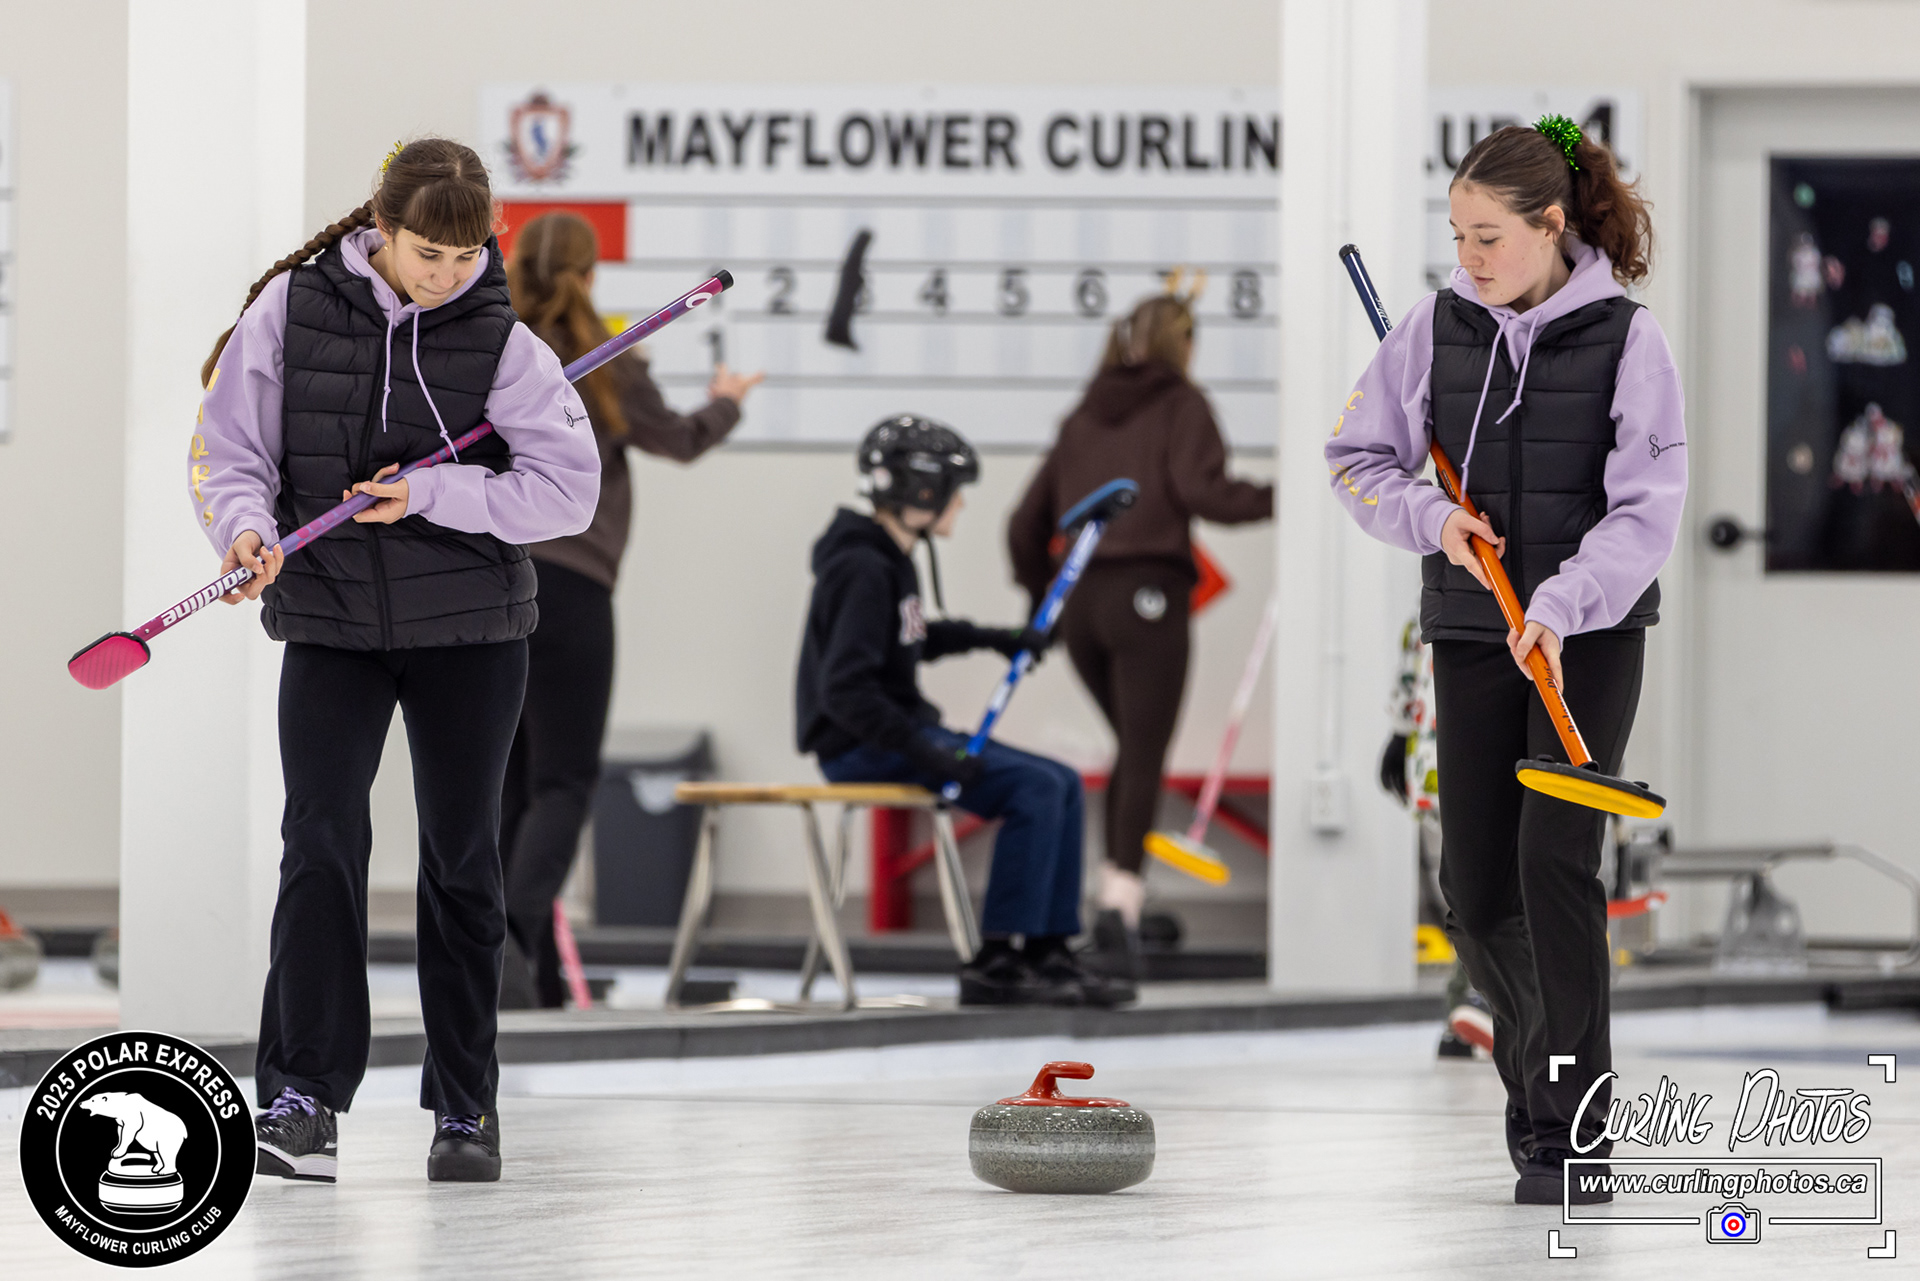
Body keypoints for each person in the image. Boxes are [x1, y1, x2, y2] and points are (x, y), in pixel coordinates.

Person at [192, 139, 601, 1184]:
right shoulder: (290, 309)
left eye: (467, 257)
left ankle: (466, 1107)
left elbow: (568, 493)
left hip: (471, 631)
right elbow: (232, 449)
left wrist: (434, 492)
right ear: (382, 228)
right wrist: (244, 531)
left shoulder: (505, 342)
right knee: (318, 844)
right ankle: (302, 1098)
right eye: (428, 254)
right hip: (330, 621)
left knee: (462, 860)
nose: (447, 276)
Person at [1325, 117, 1686, 1205]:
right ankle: (1537, 1081)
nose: (1469, 258)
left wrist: (1564, 604)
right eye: (1457, 235)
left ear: (1550, 224)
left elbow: (1647, 509)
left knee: (1554, 866)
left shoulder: (1629, 340)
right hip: (1475, 629)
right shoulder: (1431, 330)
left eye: (1488, 237)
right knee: (1475, 892)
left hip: (1588, 640)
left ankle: (1573, 1129)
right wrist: (1434, 520)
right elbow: (1357, 460)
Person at [497, 211, 761, 1009]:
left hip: (496, 583)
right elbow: (679, 439)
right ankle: (513, 936)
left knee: (509, 780)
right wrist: (726, 403)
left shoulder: (495, 350)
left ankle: (521, 969)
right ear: (588, 275)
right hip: (574, 587)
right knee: (564, 779)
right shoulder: (607, 361)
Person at [796, 416, 1131, 1007]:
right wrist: (927, 751)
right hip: (860, 746)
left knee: (1062, 782)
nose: (961, 504)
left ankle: (1048, 950)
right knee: (1031, 788)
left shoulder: (889, 558)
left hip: (895, 734)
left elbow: (911, 637)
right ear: (921, 492)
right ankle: (998, 962)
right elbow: (845, 692)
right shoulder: (862, 567)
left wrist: (996, 638)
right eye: (954, 491)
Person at [1007, 287, 1273, 975]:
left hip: (1081, 604)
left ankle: (1116, 898)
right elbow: (1206, 493)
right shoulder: (1182, 404)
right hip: (1148, 597)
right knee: (1143, 752)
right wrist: (1291, 494)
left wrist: (1041, 606)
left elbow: (1023, 523)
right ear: (1183, 343)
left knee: (1131, 748)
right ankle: (1117, 912)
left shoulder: (1082, 415)